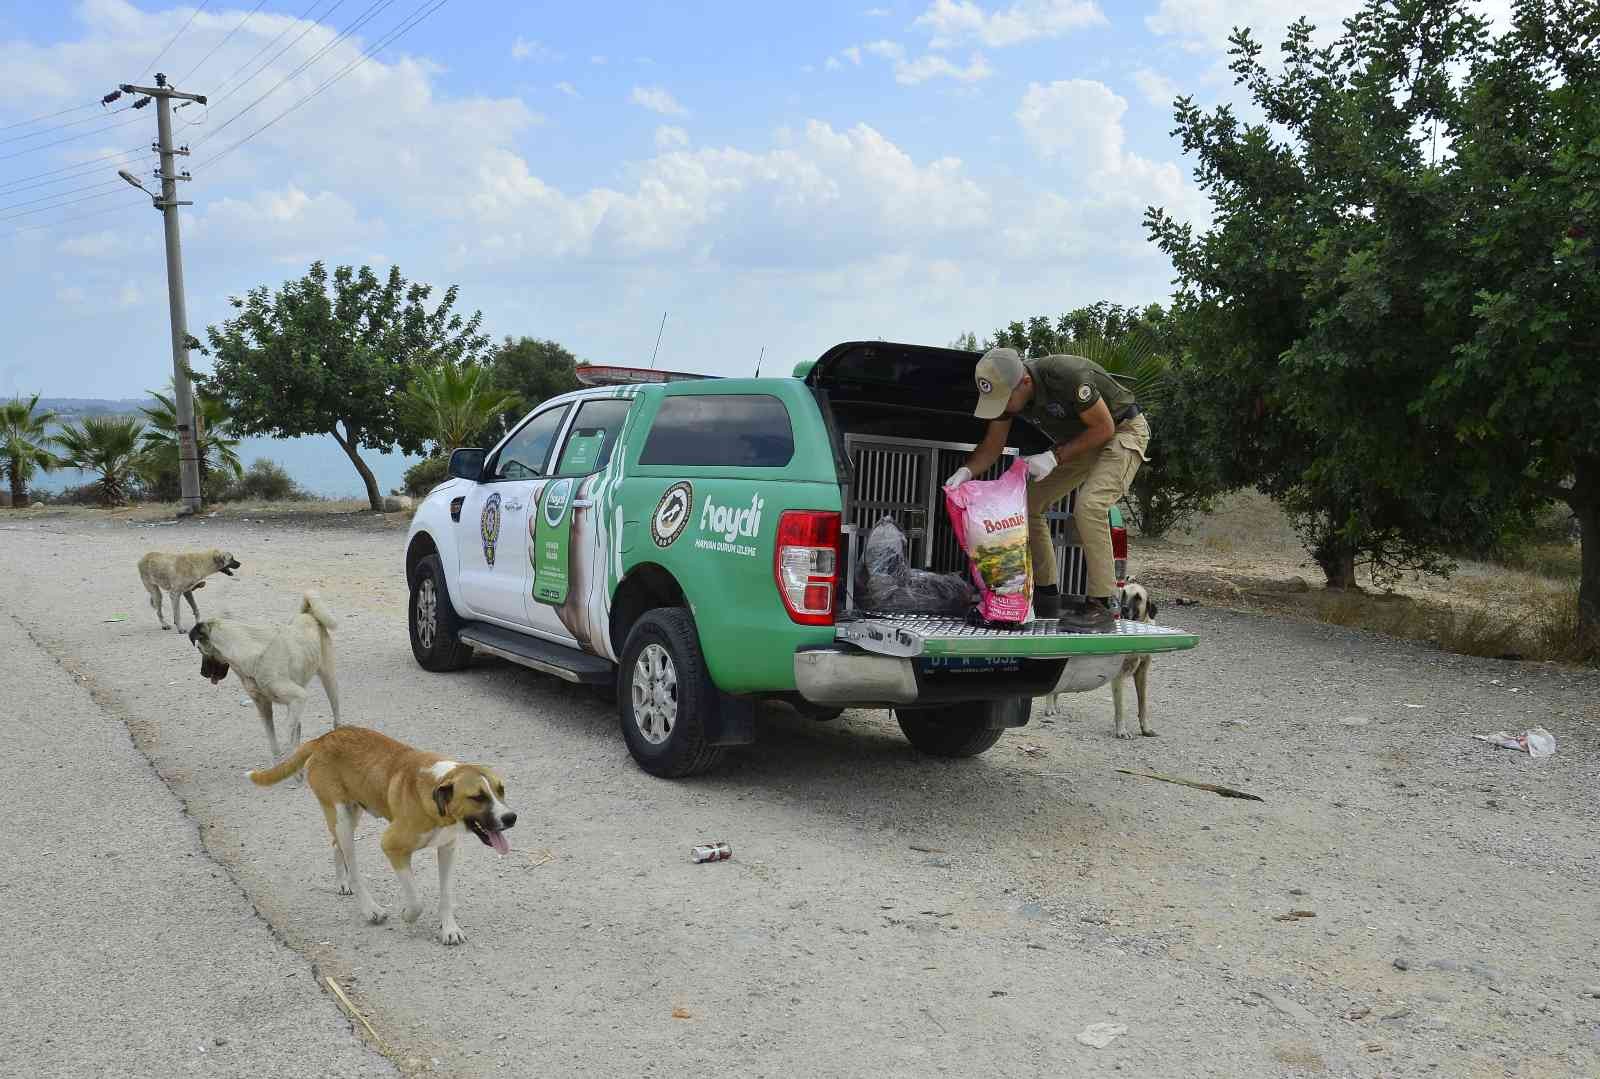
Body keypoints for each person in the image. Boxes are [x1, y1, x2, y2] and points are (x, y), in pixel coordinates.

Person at [944, 346, 1150, 630]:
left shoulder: (1065, 375)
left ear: (1025, 382)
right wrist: (966, 471)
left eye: (1004, 400)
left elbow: (1104, 429)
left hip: (1121, 430)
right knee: (1030, 503)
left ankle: (1102, 605)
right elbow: (992, 447)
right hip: (1082, 439)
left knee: (1089, 506)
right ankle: (1046, 595)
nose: (1001, 407)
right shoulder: (1010, 392)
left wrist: (1053, 457)